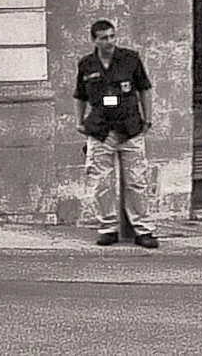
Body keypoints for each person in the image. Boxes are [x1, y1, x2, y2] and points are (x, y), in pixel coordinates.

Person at [75, 18, 157, 248]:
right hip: (100, 130)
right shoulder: (86, 65)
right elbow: (79, 96)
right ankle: (108, 227)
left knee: (137, 181)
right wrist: (79, 122)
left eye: (112, 36)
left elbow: (145, 89)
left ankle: (143, 230)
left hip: (129, 128)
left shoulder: (130, 59)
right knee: (102, 182)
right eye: (103, 38)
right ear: (94, 40)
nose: (109, 41)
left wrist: (147, 119)